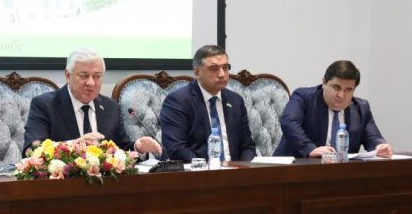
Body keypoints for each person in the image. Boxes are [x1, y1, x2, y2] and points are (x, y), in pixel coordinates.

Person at [23, 48, 162, 155]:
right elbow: (31, 150)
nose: (91, 83)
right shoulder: (45, 105)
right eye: (84, 76)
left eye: (97, 76)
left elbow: (121, 148)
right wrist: (74, 144)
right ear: (68, 76)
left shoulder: (110, 107)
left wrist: (137, 147)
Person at [274, 60, 393, 158]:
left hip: (340, 173)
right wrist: (310, 148)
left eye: (348, 90)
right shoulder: (304, 97)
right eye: (336, 87)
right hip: (294, 169)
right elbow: (289, 122)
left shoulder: (361, 108)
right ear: (324, 83)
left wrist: (380, 147)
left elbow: (372, 138)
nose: (341, 95)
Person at [160, 45, 256, 163]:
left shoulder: (235, 100)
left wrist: (243, 169)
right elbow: (176, 149)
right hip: (199, 171)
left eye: (225, 68)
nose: (222, 74)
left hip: (234, 170)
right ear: (197, 72)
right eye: (214, 68)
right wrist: (210, 168)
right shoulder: (178, 101)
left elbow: (248, 147)